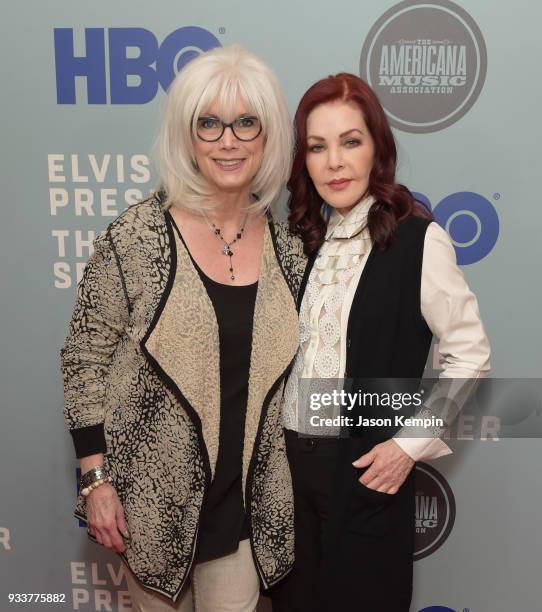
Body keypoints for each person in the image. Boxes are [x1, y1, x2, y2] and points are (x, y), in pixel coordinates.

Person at [60, 45, 306, 612]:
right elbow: (84, 358)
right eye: (209, 123)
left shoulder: (290, 247)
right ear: (186, 135)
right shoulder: (137, 236)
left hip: (246, 508)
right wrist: (96, 482)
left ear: (268, 136)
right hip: (153, 505)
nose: (228, 140)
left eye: (247, 122)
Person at [269, 73, 491, 611]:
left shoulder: (419, 238)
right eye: (318, 147)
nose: (334, 162)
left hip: (364, 472)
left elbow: (470, 352)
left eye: (351, 141)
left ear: (378, 149)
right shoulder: (301, 243)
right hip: (288, 476)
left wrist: (406, 448)